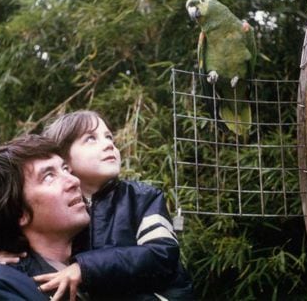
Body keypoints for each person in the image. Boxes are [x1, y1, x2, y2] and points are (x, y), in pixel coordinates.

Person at [37, 110, 194, 300]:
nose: (108, 145)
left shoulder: (142, 197)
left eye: (109, 137)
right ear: (64, 160)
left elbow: (162, 254)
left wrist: (84, 268)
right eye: (91, 139)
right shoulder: (61, 208)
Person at [0, 134, 90, 300]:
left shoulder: (102, 255)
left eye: (66, 169)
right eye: (49, 176)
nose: (74, 181)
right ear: (19, 212)